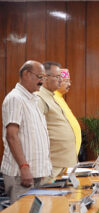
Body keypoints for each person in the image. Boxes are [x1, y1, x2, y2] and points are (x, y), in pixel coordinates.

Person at [1, 60, 52, 203]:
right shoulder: (15, 98)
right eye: (39, 77)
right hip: (21, 174)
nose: (42, 81)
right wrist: (24, 167)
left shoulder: (33, 99)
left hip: (35, 174)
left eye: (43, 77)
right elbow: (12, 136)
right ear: (26, 74)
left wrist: (42, 169)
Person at [36, 62, 77, 183]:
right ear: (45, 77)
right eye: (57, 77)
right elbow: (36, 133)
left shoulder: (52, 96)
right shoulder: (39, 97)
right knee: (50, 200)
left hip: (62, 164)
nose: (61, 81)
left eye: (61, 77)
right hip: (51, 165)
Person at [53, 69, 82, 156]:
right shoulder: (52, 98)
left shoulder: (60, 97)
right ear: (57, 81)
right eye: (66, 81)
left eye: (69, 81)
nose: (69, 84)